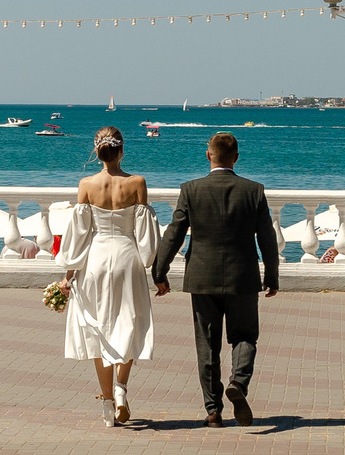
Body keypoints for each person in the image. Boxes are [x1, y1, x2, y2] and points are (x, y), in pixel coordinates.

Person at [152, 131, 281, 427]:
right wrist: (271, 275)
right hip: (243, 277)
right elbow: (267, 237)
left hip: (202, 276)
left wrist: (159, 271)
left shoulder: (191, 190)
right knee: (244, 336)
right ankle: (238, 382)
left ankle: (213, 410)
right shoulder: (254, 190)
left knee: (207, 344)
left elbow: (174, 233)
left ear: (208, 155)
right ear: (236, 157)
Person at [62, 126, 158, 426]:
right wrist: (150, 263)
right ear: (121, 149)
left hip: (97, 259)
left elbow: (78, 235)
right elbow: (146, 234)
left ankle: (106, 404)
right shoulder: (137, 182)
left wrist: (68, 275)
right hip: (127, 257)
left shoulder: (87, 184)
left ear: (97, 150)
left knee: (98, 327)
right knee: (128, 321)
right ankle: (120, 388)